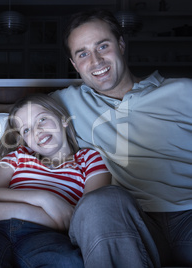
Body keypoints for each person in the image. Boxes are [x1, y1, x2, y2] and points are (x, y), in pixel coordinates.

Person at [47, 8, 192, 267]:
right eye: (83, 53)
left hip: (188, 215)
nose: (96, 61)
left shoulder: (183, 91)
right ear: (73, 64)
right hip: (125, 222)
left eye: (103, 46)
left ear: (121, 44)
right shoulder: (67, 102)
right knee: (98, 203)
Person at [0, 94, 111, 267]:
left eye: (42, 119)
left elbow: (87, 219)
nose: (37, 131)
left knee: (68, 262)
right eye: (26, 130)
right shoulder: (18, 156)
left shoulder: (89, 159)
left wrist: (18, 211)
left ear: (63, 119)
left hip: (48, 236)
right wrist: (44, 199)